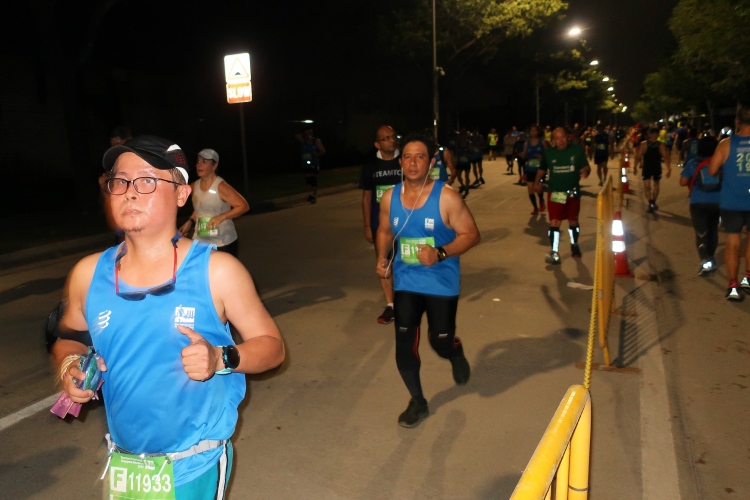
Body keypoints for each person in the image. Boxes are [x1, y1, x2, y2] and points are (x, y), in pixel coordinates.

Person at [51, 135, 285, 497]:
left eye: (146, 181)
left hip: (194, 462)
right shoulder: (88, 274)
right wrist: (69, 364)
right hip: (127, 465)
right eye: (119, 181)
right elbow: (68, 337)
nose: (130, 192)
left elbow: (272, 348)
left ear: (181, 194)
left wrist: (220, 358)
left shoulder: (218, 272)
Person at [375, 133, 480, 428]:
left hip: (441, 280)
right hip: (406, 280)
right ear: (400, 162)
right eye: (407, 157)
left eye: (419, 157)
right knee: (404, 341)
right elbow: (384, 230)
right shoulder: (390, 197)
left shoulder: (447, 197)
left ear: (431, 162)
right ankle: (417, 401)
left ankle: (454, 352)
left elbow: (472, 235)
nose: (412, 163)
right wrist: (382, 257)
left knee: (440, 340)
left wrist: (440, 253)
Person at [360, 125, 402, 324]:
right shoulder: (370, 167)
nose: (392, 140)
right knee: (384, 262)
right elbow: (367, 198)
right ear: (377, 144)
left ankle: (408, 299)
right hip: (381, 224)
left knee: (406, 261)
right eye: (386, 138)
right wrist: (368, 225)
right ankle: (391, 305)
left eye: (393, 136)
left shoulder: (405, 161)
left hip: (406, 221)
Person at [708, 105, 750, 300]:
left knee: (732, 243)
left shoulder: (726, 144)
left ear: (737, 121)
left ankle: (733, 286)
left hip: (731, 201)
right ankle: (748, 278)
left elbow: (711, 170)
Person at [534, 127, 591, 265]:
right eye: (557, 138)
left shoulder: (576, 151)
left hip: (572, 193)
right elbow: (542, 169)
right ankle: (554, 252)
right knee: (555, 222)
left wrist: (586, 171)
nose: (561, 140)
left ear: (568, 137)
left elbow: (586, 166)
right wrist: (536, 182)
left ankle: (574, 244)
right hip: (556, 193)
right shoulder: (549, 153)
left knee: (573, 221)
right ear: (553, 140)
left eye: (563, 137)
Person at [179, 148, 250, 257]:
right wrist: (190, 222)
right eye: (198, 161)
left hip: (222, 242)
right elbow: (201, 208)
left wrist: (221, 217)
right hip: (201, 240)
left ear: (214, 166)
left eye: (204, 161)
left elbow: (243, 206)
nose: (199, 165)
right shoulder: (194, 186)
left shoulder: (221, 187)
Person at [679, 135, 720, 275]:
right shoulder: (721, 163)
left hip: (698, 202)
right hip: (717, 201)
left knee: (701, 233)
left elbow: (683, 182)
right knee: (713, 230)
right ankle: (711, 257)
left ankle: (705, 262)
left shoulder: (693, 163)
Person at [634, 127, 671, 212]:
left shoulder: (644, 144)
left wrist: (635, 167)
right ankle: (652, 202)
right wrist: (669, 169)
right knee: (655, 186)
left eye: (655, 134)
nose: (654, 136)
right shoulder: (660, 145)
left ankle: (651, 202)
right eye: (654, 134)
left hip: (648, 168)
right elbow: (665, 157)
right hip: (655, 167)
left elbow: (638, 156)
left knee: (648, 187)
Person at [295, 127, 326, 204]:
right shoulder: (303, 141)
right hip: (305, 163)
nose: (307, 135)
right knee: (308, 180)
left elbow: (323, 150)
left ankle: (314, 196)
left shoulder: (316, 141)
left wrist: (316, 154)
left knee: (313, 179)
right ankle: (310, 195)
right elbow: (297, 135)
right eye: (306, 133)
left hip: (314, 163)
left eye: (309, 133)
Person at [521, 125, 546, 215]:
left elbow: (548, 154)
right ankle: (535, 208)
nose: (533, 132)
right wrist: (522, 154)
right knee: (530, 189)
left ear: (538, 132)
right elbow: (524, 155)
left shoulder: (542, 142)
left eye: (535, 131)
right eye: (531, 131)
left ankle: (541, 199)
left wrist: (541, 157)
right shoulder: (527, 143)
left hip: (540, 169)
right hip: (530, 169)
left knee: (538, 189)